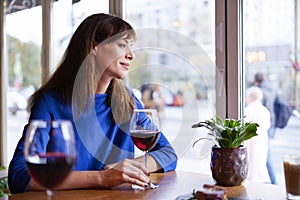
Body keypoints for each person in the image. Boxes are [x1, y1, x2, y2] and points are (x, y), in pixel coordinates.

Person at [8, 13, 177, 193]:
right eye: (122, 45)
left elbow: (168, 154)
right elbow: (19, 175)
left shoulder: (128, 101)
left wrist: (123, 169)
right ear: (94, 46)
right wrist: (103, 178)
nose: (131, 55)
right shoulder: (50, 103)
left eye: (131, 46)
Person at [253, 72, 277, 184]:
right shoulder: (271, 89)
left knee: (266, 155)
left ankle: (274, 183)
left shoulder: (260, 92)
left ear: (256, 81)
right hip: (271, 123)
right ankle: (273, 182)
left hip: (263, 125)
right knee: (265, 153)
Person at [244, 87, 270, 183]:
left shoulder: (248, 110)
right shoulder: (265, 110)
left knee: (251, 166)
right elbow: (267, 125)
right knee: (260, 164)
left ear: (250, 97)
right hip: (262, 141)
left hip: (250, 141)